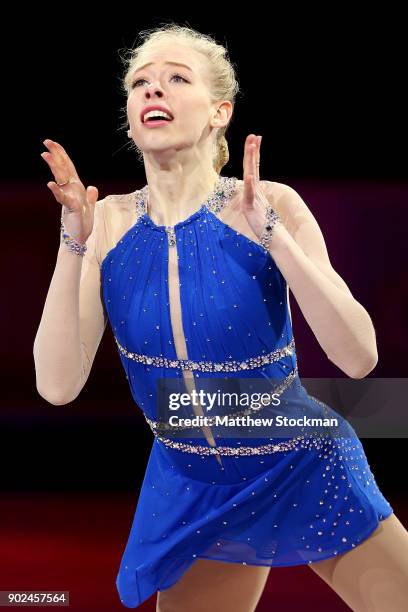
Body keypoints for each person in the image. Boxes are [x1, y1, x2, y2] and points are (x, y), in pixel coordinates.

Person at [34, 23, 408, 612]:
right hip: (190, 482)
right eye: (140, 83)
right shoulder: (102, 222)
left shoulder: (271, 204)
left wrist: (276, 239)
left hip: (297, 456)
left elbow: (359, 359)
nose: (153, 91)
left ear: (219, 113)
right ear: (130, 118)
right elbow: (56, 387)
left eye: (176, 79)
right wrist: (71, 243)